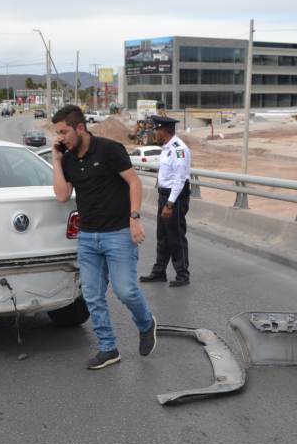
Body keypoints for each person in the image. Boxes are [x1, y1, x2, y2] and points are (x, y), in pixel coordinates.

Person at [51, 104, 157, 370]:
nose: (60, 137)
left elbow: (134, 182)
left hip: (118, 234)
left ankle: (146, 323)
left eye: (63, 132)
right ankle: (108, 348)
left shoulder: (109, 150)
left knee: (126, 291)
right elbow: (62, 195)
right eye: (57, 133)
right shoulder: (68, 159)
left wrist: (134, 218)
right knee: (92, 296)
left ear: (80, 128)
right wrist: (57, 160)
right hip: (88, 237)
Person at [140, 115, 192, 287]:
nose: (155, 133)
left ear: (165, 130)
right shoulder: (166, 147)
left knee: (176, 236)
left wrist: (170, 204)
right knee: (162, 235)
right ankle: (159, 272)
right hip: (164, 195)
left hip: (175, 197)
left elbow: (179, 179)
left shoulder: (179, 149)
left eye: (157, 130)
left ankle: (182, 274)